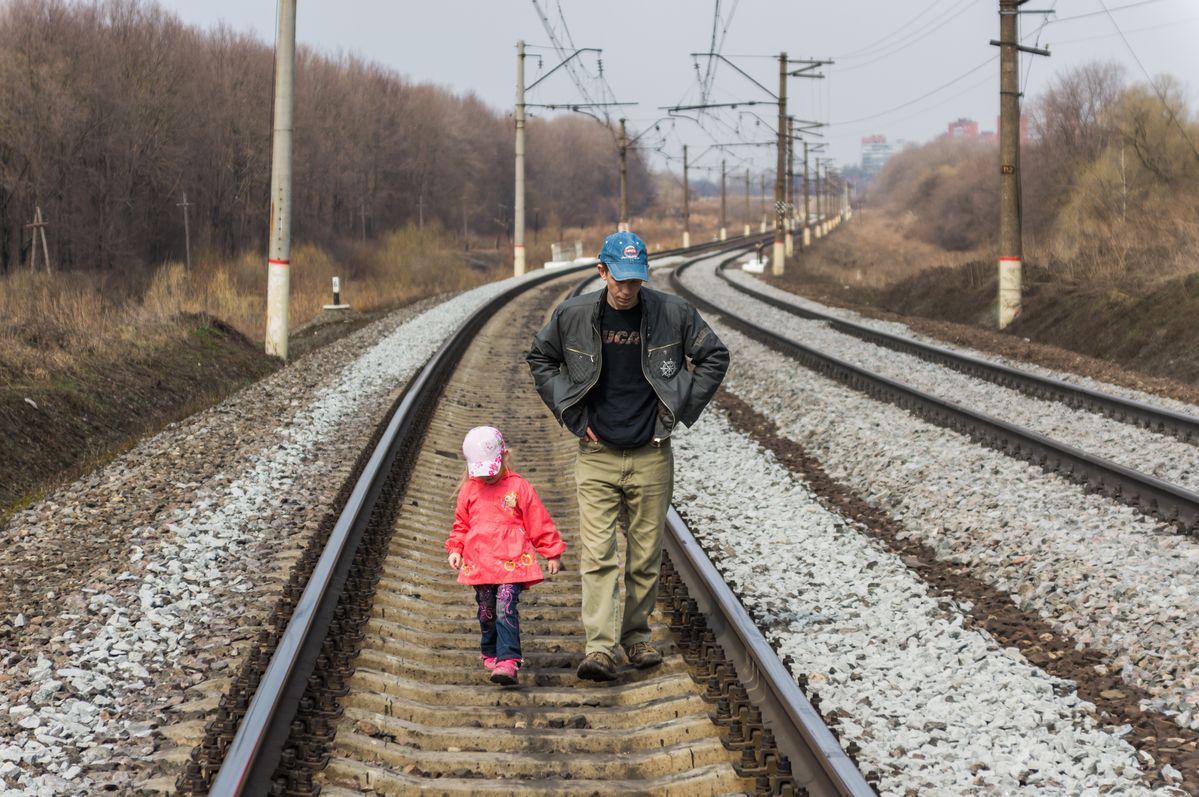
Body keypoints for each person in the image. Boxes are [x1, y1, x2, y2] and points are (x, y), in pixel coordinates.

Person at [526, 230, 729, 682]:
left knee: (644, 555)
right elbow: (541, 358)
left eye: (635, 281)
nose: (627, 289)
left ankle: (635, 639)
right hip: (596, 453)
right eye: (619, 279)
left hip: (651, 452)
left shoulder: (672, 313)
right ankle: (599, 648)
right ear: (602, 272)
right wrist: (573, 415)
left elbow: (714, 355)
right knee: (598, 555)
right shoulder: (574, 315)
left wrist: (679, 408)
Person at [446, 425, 566, 686]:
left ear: (504, 457)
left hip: (512, 560)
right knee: (487, 610)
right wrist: (456, 548)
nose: (487, 478)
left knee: (505, 606)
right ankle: (490, 650)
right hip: (480, 562)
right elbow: (461, 524)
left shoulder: (518, 487)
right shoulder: (469, 490)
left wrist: (551, 551)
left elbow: (537, 520)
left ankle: (509, 660)